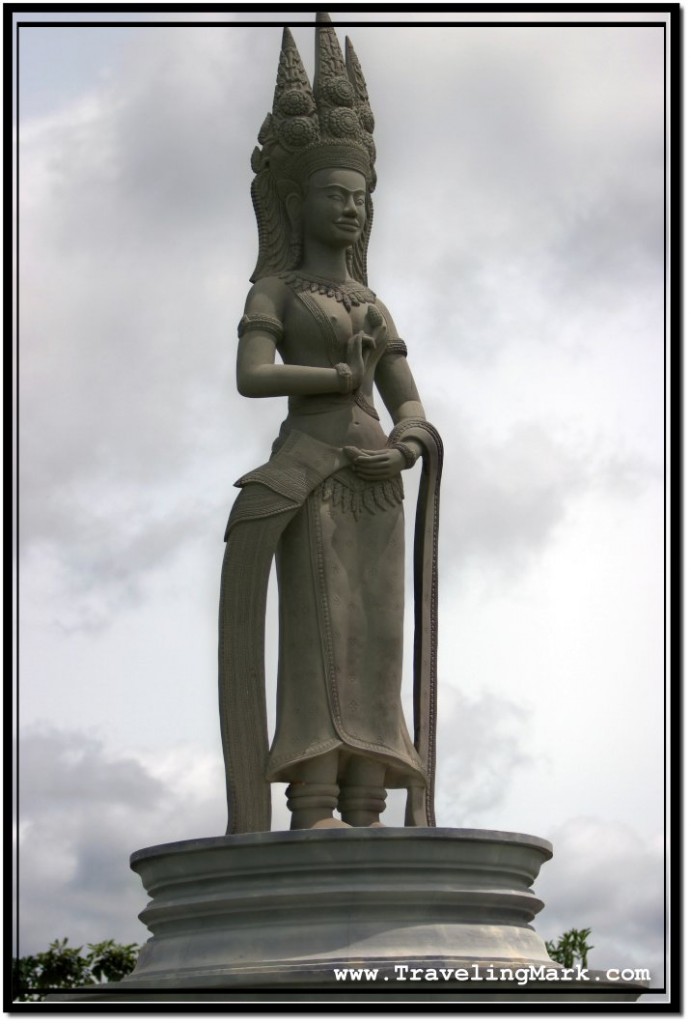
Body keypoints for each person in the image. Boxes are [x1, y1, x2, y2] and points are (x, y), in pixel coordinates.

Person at [219, 15, 442, 834]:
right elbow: (251, 377)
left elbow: (408, 398)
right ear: (296, 200)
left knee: (376, 650)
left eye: (358, 198)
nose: (347, 209)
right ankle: (311, 799)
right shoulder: (275, 292)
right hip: (309, 475)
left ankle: (368, 800)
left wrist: (412, 442)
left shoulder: (372, 303)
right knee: (318, 642)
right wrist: (334, 378)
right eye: (331, 196)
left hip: (375, 485)